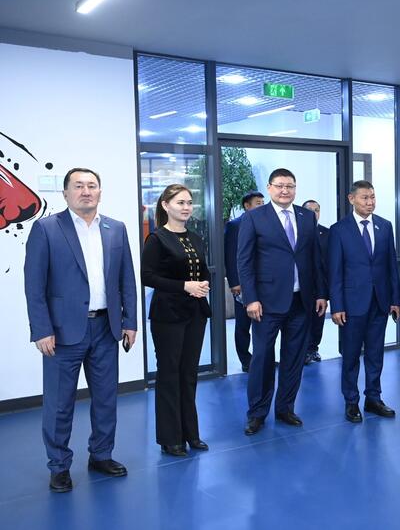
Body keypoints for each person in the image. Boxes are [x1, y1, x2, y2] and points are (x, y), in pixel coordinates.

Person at [24, 167, 137, 492]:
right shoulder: (46, 228)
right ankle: (59, 466)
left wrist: (130, 321)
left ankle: (101, 455)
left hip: (106, 327)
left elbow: (127, 279)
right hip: (62, 332)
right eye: (78, 186)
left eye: (92, 185)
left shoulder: (116, 229)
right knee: (59, 403)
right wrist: (41, 329)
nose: (86, 191)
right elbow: (34, 285)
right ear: (66, 193)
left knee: (106, 398)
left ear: (100, 192)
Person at [237, 168, 327, 435]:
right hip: (265, 304)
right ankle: (257, 413)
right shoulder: (254, 217)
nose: (285, 190)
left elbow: (316, 259)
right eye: (280, 186)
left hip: (301, 301)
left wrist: (321, 293)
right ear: (269, 187)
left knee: (294, 358)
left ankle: (285, 408)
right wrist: (250, 299)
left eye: (290, 186)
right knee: (262, 358)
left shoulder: (307, 217)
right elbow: (244, 261)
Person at [141, 184, 212, 457]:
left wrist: (204, 284)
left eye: (189, 202)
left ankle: (191, 433)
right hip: (168, 315)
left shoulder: (195, 237)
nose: (186, 207)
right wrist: (185, 286)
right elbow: (147, 276)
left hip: (195, 313)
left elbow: (204, 270)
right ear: (165, 205)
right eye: (180, 202)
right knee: (169, 374)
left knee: (189, 374)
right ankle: (171, 439)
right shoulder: (157, 239)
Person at [328, 181, 400, 422]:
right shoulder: (339, 230)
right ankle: (351, 401)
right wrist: (337, 305)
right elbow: (335, 271)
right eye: (365, 198)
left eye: (372, 197)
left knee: (375, 354)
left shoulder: (385, 226)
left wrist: (395, 299)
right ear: (351, 199)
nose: (370, 202)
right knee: (350, 356)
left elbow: (391, 265)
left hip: (380, 301)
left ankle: (373, 398)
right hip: (351, 304)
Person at [224, 190, 265, 373]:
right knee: (243, 325)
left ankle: (261, 358)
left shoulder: (266, 224)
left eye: (263, 203)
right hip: (242, 284)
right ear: (247, 206)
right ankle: (245, 359)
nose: (262, 206)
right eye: (258, 203)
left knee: (262, 323)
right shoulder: (235, 225)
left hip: (263, 283)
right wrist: (234, 282)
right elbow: (230, 255)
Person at [301, 199, 330, 365]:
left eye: (316, 210)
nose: (313, 213)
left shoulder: (327, 233)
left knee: (318, 321)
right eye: (309, 210)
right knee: (301, 322)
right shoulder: (297, 231)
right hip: (301, 287)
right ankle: (301, 352)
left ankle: (313, 349)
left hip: (321, 287)